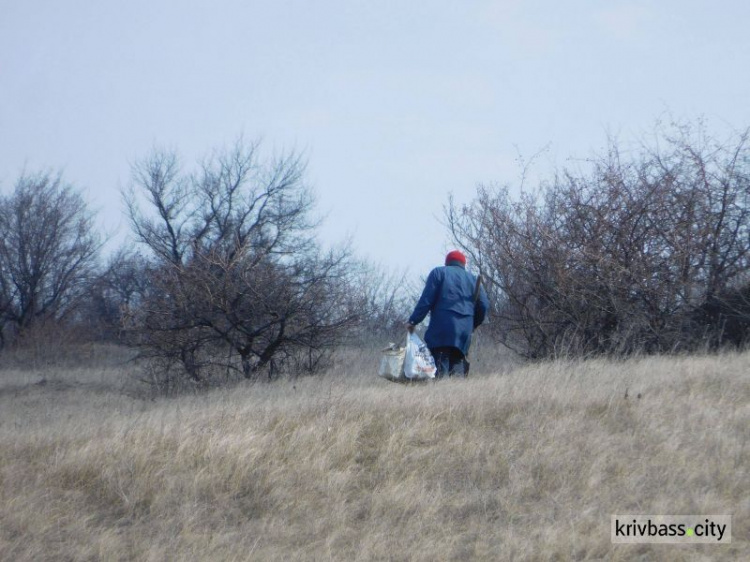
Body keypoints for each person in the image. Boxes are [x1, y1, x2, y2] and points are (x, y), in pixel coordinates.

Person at [407, 250, 489, 378]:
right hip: (464, 332)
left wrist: (413, 321)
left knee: (440, 368)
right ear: (463, 264)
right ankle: (457, 395)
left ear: (447, 262)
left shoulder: (438, 273)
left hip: (441, 330)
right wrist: (473, 324)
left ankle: (442, 394)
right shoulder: (473, 279)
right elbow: (484, 305)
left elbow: (426, 301)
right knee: (458, 366)